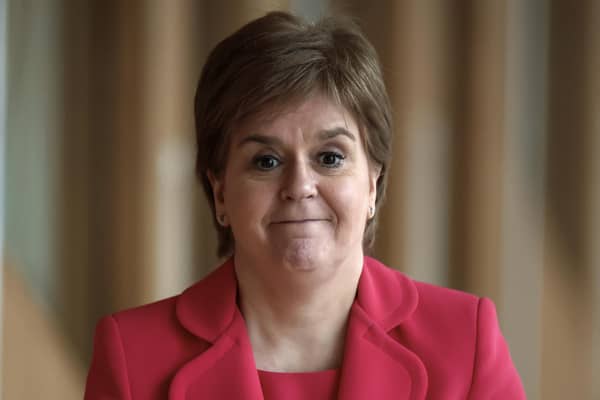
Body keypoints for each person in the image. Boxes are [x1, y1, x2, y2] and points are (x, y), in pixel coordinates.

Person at [84, 11, 525, 400]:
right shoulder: (132, 357)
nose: (299, 186)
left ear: (373, 183)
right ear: (219, 191)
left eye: (330, 158)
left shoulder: (464, 341)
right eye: (266, 161)